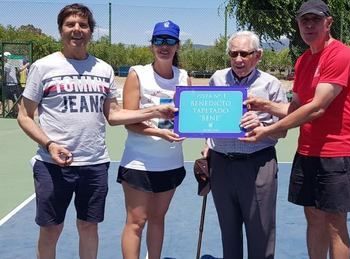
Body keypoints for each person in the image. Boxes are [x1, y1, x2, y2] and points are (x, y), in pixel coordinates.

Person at [17, 4, 176, 259]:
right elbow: (24, 116)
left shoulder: (103, 69)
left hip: (94, 164)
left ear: (91, 31)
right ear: (61, 30)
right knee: (51, 230)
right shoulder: (43, 67)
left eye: (83, 25)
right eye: (70, 25)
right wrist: (49, 145)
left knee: (89, 227)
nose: (77, 30)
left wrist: (154, 113)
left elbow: (113, 115)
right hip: (52, 164)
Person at [241, 1, 350, 258]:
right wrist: (265, 105)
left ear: (328, 23)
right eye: (303, 20)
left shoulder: (341, 55)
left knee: (334, 223)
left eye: (315, 20)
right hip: (307, 151)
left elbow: (317, 107)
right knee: (314, 217)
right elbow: (296, 106)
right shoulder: (304, 61)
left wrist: (267, 130)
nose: (308, 25)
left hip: (337, 152)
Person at [201, 31, 287, 259]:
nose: (238, 59)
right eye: (233, 53)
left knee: (261, 233)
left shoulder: (271, 84)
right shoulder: (217, 79)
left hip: (258, 164)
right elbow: (208, 117)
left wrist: (262, 123)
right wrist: (207, 143)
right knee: (228, 233)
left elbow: (284, 130)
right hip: (221, 165)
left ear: (258, 56)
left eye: (245, 54)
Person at [117, 20, 190, 259]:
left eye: (170, 41)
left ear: (177, 45)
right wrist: (159, 132)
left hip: (170, 163)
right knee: (136, 221)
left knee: (158, 219)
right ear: (152, 45)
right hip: (139, 163)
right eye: (159, 40)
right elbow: (129, 120)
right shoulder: (138, 74)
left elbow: (189, 118)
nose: (164, 46)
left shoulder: (184, 76)